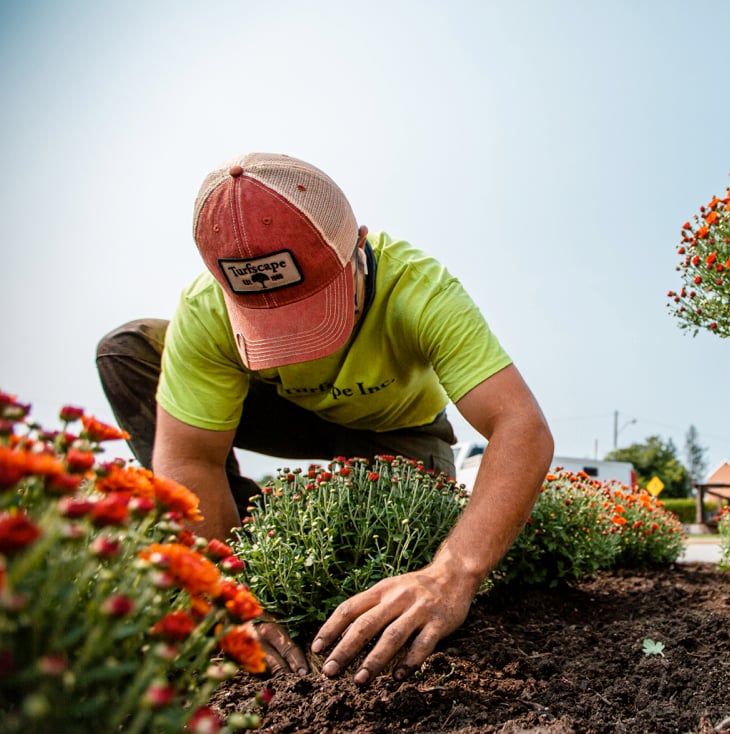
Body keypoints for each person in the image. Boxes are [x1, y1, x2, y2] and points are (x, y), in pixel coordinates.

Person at [96, 152, 554, 685]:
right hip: (285, 412)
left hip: (396, 431)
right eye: (270, 324)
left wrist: (452, 574)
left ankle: (299, 541)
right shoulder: (206, 310)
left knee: (393, 566)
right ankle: (249, 537)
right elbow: (189, 457)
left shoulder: (420, 288)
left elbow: (521, 426)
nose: (294, 348)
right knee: (128, 351)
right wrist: (227, 590)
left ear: (358, 248)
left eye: (313, 311)